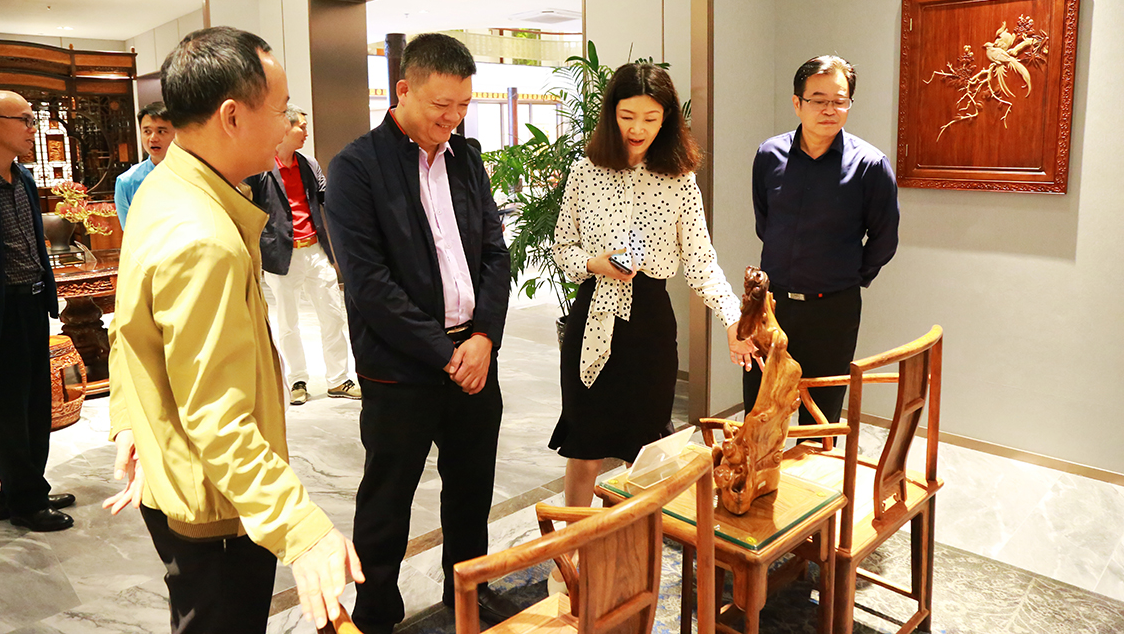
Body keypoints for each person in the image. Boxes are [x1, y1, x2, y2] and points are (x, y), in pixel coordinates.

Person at [104, 27, 362, 633]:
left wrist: (132, 420)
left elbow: (130, 329)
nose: (288, 125)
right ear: (231, 116)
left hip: (182, 476)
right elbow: (217, 419)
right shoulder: (203, 237)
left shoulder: (166, 186)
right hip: (218, 504)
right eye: (280, 109)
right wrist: (302, 530)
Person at [325, 33, 514, 634]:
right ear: (403, 90)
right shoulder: (357, 167)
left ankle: (469, 596)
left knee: (471, 493)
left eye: (463, 105)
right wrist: (446, 354)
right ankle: (376, 613)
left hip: (474, 356)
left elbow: (495, 253)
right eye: (441, 105)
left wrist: (482, 338)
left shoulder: (467, 158)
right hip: (400, 368)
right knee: (386, 501)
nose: (452, 118)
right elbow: (369, 283)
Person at [548, 63, 752, 508]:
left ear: (667, 120)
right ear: (611, 114)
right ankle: (573, 544)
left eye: (650, 118)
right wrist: (594, 263)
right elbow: (562, 248)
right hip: (592, 316)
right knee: (584, 447)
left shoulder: (680, 182)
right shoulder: (584, 172)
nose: (637, 129)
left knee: (645, 450)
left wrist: (732, 318)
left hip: (649, 325)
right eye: (627, 116)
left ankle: (636, 542)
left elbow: (701, 263)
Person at [744, 55, 899, 427]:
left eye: (839, 100)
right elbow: (765, 222)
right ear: (797, 103)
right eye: (818, 100)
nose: (829, 109)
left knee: (821, 416)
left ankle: (814, 467)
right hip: (772, 305)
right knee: (761, 412)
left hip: (833, 310)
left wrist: (848, 277)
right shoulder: (769, 155)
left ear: (849, 104)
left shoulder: (870, 165)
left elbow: (884, 238)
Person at [0, 90, 75, 532]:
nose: (32, 128)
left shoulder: (22, 177)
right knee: (6, 410)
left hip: (31, 303)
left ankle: (20, 492)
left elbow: (34, 246)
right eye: (23, 119)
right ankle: (26, 501)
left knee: (35, 405)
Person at [245, 103, 358, 405]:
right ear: (285, 127)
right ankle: (297, 380)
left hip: (315, 250)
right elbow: (248, 207)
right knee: (288, 323)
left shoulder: (309, 164)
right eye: (301, 126)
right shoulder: (261, 167)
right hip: (281, 255)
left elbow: (326, 197)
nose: (306, 132)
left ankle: (338, 379)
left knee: (332, 315)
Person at [114, 101, 174, 228]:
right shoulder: (126, 182)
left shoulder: (192, 174)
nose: (153, 138)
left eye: (161, 131)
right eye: (147, 131)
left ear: (176, 133)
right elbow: (129, 232)